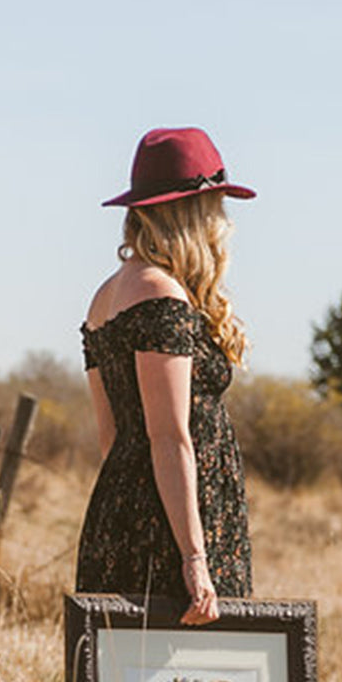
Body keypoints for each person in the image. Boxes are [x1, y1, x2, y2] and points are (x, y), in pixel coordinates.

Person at [75, 127, 255, 625]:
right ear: (193, 214)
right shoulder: (161, 296)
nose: (221, 222)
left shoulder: (106, 295)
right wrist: (194, 559)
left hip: (126, 512)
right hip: (172, 531)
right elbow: (169, 436)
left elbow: (111, 438)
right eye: (215, 206)